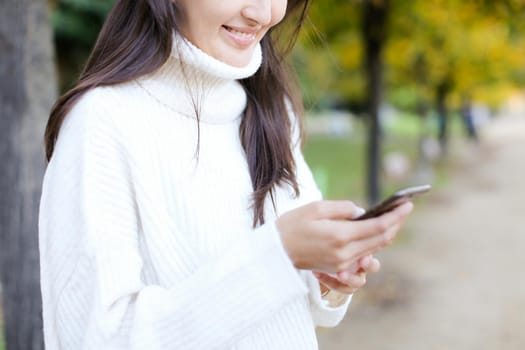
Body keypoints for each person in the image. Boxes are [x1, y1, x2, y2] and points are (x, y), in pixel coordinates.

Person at [39, 0, 413, 349]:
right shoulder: (102, 123)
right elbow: (95, 338)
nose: (263, 13)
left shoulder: (270, 108)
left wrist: (327, 276)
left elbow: (294, 314)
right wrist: (278, 256)